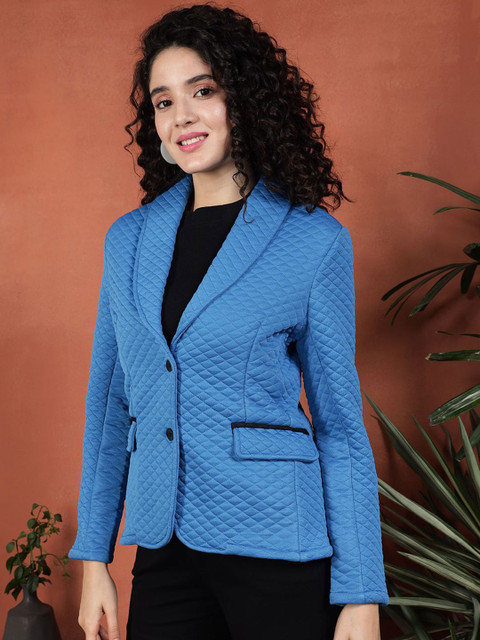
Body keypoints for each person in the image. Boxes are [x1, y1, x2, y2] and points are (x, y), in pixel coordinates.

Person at [68, 3, 389, 639]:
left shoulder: (313, 241)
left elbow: (339, 426)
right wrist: (93, 558)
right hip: (164, 545)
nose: (181, 116)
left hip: (278, 542)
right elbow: (110, 405)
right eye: (163, 102)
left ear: (243, 99)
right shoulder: (127, 241)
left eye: (203, 91)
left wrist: (361, 593)